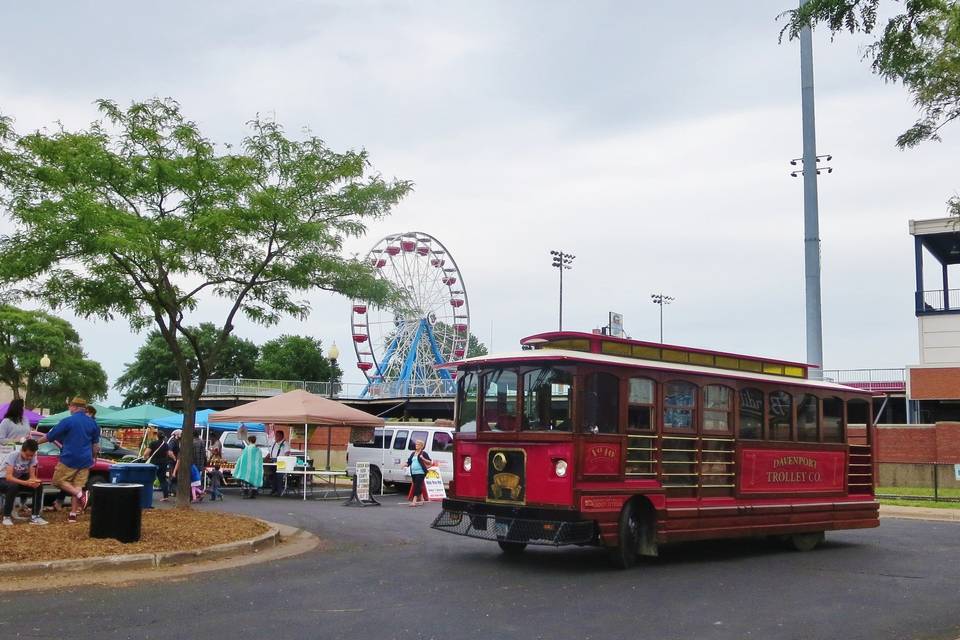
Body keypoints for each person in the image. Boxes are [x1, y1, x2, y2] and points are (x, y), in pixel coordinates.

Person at [36, 396, 99, 524]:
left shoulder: (67, 421)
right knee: (77, 485)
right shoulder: (93, 423)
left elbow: (50, 436)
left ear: (75, 407)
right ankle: (72, 514)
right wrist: (94, 457)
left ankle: (81, 496)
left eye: (70, 406)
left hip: (69, 458)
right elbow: (95, 446)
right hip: (86, 459)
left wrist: (35, 442)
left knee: (58, 481)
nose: (69, 408)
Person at [0, 439, 48, 525]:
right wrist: (25, 483)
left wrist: (34, 481)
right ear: (22, 450)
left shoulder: (33, 457)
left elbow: (32, 476)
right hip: (3, 479)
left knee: (38, 485)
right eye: (27, 455)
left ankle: (35, 516)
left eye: (32, 455)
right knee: (13, 486)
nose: (29, 457)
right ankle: (6, 516)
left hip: (16, 479)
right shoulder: (13, 455)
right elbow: (8, 477)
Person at [402, 439, 435, 507]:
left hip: (421, 472)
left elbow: (430, 462)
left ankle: (414, 501)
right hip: (413, 472)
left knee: (416, 486)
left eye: (418, 444)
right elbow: (409, 462)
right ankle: (422, 499)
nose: (416, 445)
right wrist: (404, 464)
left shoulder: (423, 453)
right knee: (418, 486)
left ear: (421, 446)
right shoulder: (413, 453)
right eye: (416, 444)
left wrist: (423, 458)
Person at [145, 430, 175, 502]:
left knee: (150, 479)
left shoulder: (153, 443)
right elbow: (169, 453)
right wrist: (174, 458)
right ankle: (165, 496)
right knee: (163, 480)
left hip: (154, 464)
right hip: (163, 463)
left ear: (157, 436)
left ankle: (147, 495)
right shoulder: (165, 444)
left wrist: (145, 457)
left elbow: (146, 453)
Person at [267, 429, 288, 496]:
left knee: (279, 477)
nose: (275, 437)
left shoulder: (285, 444)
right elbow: (270, 453)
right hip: (272, 461)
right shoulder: (274, 443)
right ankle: (273, 490)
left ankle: (279, 491)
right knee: (272, 476)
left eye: (277, 436)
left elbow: (287, 453)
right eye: (276, 436)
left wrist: (283, 459)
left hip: (281, 462)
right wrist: (265, 459)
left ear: (281, 436)